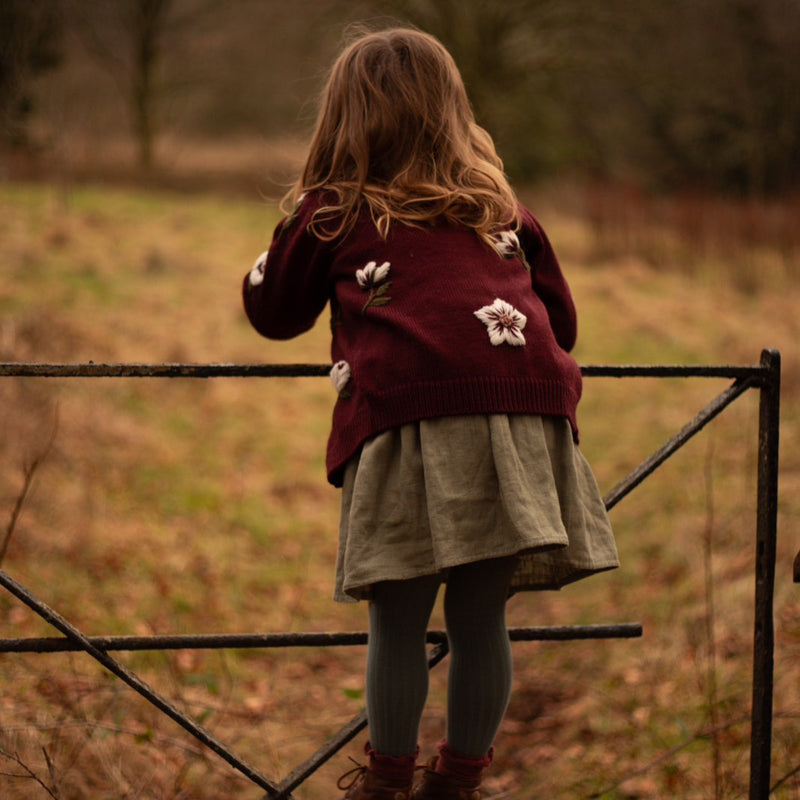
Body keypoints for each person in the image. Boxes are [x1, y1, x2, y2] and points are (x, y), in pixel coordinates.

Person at [242, 26, 618, 800]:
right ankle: (459, 784)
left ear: (344, 116)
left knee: (399, 614)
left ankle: (386, 785)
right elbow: (564, 322)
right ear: (453, 110)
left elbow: (273, 309)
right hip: (519, 418)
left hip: (411, 416)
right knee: (482, 616)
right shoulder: (502, 209)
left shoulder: (334, 210)